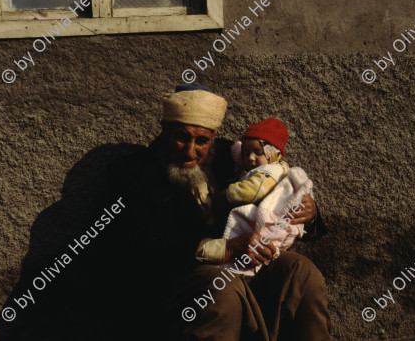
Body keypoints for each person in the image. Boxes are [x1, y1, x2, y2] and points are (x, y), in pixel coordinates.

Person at [105, 83, 331, 340]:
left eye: (201, 141)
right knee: (221, 288)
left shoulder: (232, 157)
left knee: (301, 272)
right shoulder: (131, 174)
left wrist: (308, 212)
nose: (190, 151)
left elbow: (277, 185)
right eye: (181, 137)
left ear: (213, 137)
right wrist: (227, 248)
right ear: (165, 130)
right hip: (181, 278)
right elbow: (140, 245)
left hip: (247, 266)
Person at [214, 118, 315, 277]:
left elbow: (252, 191)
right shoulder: (265, 169)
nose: (251, 158)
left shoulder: (269, 173)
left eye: (258, 152)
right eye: (245, 153)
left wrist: (227, 194)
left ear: (274, 154)